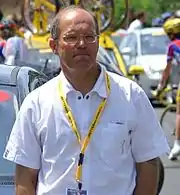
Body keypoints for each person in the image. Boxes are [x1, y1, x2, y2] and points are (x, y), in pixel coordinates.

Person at [3, 5, 169, 195]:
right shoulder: (36, 103)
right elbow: (25, 179)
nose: (82, 44)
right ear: (53, 46)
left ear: (97, 42)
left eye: (89, 37)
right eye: (71, 37)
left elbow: (148, 163)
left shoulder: (131, 95)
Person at [156, 18, 180, 160]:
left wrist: (161, 86)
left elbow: (168, 69)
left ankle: (177, 143)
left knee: (179, 113)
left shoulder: (173, 46)